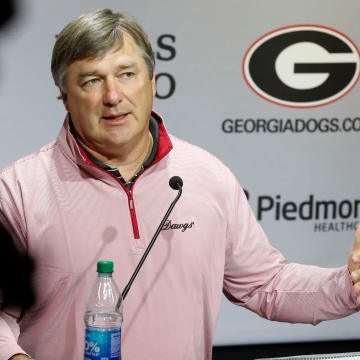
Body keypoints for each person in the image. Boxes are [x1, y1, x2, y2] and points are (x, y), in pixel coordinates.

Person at [0, 8, 359, 360]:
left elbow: (265, 286)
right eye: (92, 80)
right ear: (65, 96)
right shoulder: (17, 190)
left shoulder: (206, 175)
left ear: (152, 81)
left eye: (126, 74)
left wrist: (351, 286)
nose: (112, 96)